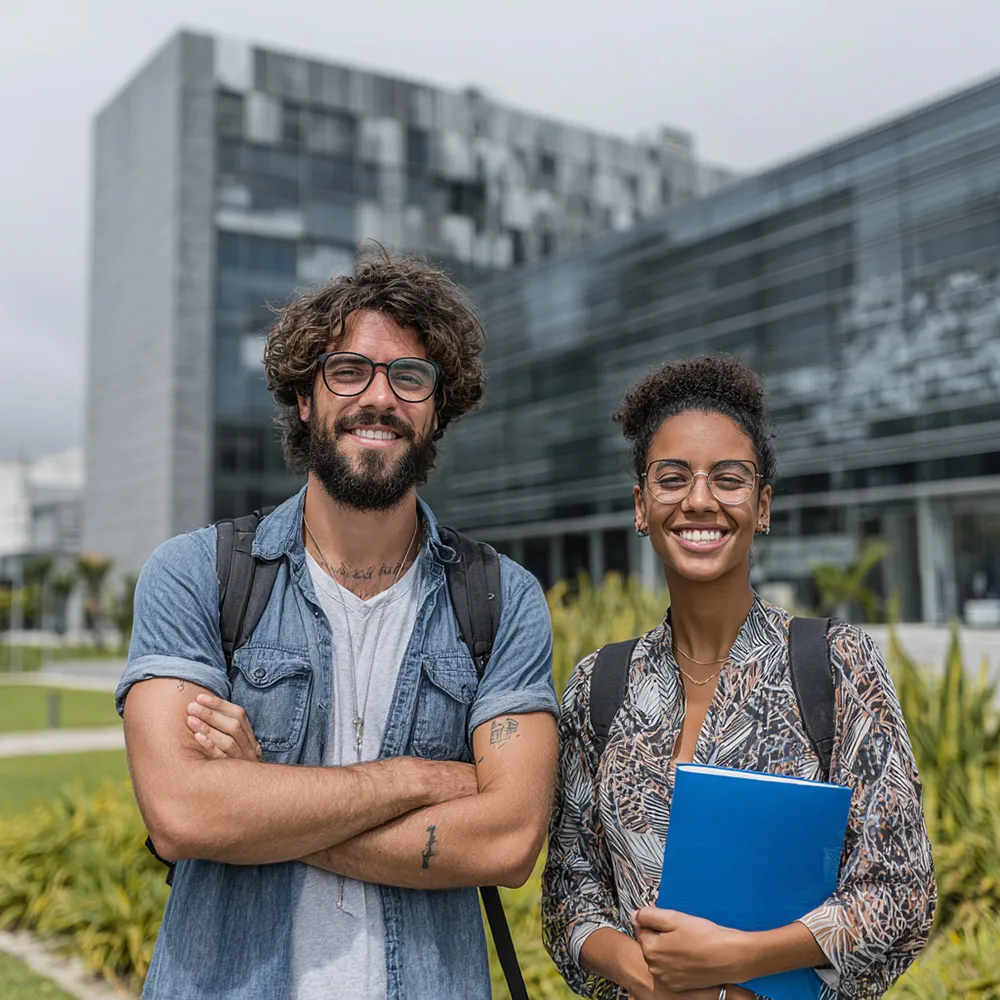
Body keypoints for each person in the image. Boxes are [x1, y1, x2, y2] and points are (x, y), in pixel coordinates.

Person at [116, 249, 559, 1000]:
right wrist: (422, 780)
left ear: (436, 409)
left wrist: (264, 801)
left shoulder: (501, 599)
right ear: (305, 398)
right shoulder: (196, 573)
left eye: (409, 377)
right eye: (348, 370)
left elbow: (510, 841)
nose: (378, 397)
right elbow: (183, 814)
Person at [541, 355, 935, 1000]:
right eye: (673, 478)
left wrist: (738, 959)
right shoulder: (600, 683)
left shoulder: (835, 665)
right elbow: (567, 892)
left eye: (729, 478)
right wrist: (638, 969)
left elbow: (901, 891)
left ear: (763, 505)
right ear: (642, 506)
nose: (700, 500)